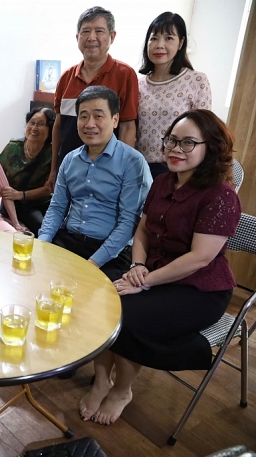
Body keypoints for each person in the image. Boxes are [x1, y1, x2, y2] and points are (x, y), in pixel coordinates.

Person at [80, 109, 241, 425]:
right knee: (98, 299)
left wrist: (145, 281)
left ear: (211, 147)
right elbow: (142, 229)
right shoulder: (163, 182)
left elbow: (200, 258)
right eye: (171, 140)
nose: (175, 149)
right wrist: (138, 264)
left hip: (199, 288)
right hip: (152, 270)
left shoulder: (221, 195)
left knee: (126, 317)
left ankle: (122, 390)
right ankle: (101, 381)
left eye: (188, 143)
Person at [38, 86, 152, 282]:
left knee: (87, 293)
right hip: (69, 240)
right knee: (34, 278)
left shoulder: (133, 162)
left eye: (98, 116)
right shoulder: (70, 160)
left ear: (115, 120)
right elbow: (57, 208)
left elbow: (129, 223)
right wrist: (42, 244)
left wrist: (93, 263)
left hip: (111, 252)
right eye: (83, 116)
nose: (90, 124)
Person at [47, 6, 139, 189]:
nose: (91, 37)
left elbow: (128, 127)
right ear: (77, 38)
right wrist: (54, 169)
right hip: (69, 171)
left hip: (107, 174)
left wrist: (122, 172)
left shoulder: (125, 74)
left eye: (99, 31)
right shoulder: (66, 77)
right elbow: (58, 126)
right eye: (85, 31)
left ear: (112, 36)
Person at [137, 12, 212, 179]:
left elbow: (205, 131)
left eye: (169, 38)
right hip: (140, 168)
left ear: (181, 43)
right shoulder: (138, 85)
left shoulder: (196, 80)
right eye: (154, 38)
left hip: (178, 169)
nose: (159, 45)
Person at [0, 107, 55, 234]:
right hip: (15, 204)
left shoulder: (52, 153)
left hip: (43, 203)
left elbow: (49, 188)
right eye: (32, 123)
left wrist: (21, 194)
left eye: (41, 124)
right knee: (42, 228)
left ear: (50, 129)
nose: (34, 128)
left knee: (57, 228)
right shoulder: (13, 147)